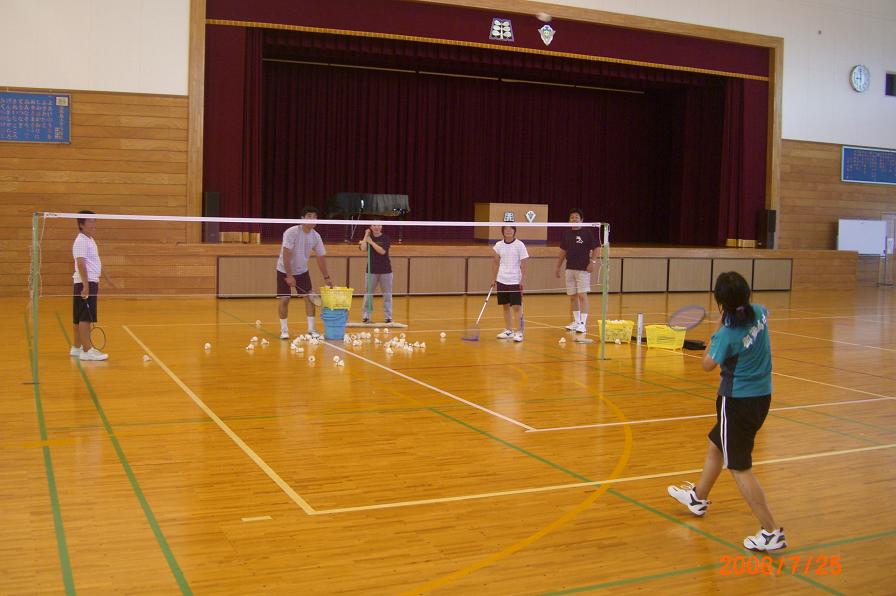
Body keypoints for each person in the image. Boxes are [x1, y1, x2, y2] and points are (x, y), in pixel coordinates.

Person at [667, 271, 786, 552]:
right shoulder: (759, 312)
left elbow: (707, 365)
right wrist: (725, 320)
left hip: (737, 402)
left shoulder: (727, 335)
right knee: (715, 446)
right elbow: (747, 318)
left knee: (739, 466)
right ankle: (698, 498)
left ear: (721, 302)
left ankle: (770, 531)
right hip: (762, 396)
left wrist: (715, 333)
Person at [276, 206, 333, 339]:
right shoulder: (291, 232)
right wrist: (289, 275)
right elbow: (286, 255)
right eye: (309, 216)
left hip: (302, 271)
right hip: (284, 269)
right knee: (285, 300)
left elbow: (320, 257)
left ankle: (311, 329)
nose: (312, 219)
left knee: (310, 298)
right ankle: (284, 330)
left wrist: (327, 277)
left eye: (315, 216)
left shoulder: (316, 236)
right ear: (302, 219)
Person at [70, 210, 117, 361]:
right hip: (86, 282)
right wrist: (85, 285)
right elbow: (81, 263)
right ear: (81, 224)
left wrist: (107, 278)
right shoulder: (81, 241)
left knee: (79, 317)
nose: (94, 224)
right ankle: (87, 351)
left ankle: (77, 348)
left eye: (94, 221)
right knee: (85, 317)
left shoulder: (90, 240)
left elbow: (94, 261)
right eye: (90, 221)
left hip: (88, 281)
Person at [555, 208, 598, 334]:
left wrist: (592, 262)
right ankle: (576, 321)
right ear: (569, 220)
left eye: (576, 217)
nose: (574, 219)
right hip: (570, 268)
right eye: (572, 217)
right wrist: (558, 267)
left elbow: (596, 248)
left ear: (581, 220)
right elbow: (563, 251)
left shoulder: (587, 233)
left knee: (582, 295)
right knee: (572, 296)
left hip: (583, 269)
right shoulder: (566, 234)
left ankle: (583, 324)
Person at [492, 225, 528, 342]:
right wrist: (494, 279)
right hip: (502, 279)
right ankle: (508, 330)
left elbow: (524, 264)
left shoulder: (520, 245)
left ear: (514, 231)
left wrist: (522, 280)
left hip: (514, 280)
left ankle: (519, 332)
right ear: (502, 231)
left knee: (517, 307)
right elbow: (495, 263)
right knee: (505, 306)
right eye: (506, 229)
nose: (508, 231)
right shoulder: (498, 245)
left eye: (511, 229)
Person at [359, 224, 393, 324]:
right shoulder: (368, 237)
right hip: (371, 271)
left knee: (387, 294)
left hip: (386, 271)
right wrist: (366, 235)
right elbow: (363, 248)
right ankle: (366, 316)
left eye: (378, 225)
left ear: (381, 226)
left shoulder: (385, 238)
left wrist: (371, 242)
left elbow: (382, 251)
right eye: (374, 225)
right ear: (371, 227)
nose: (376, 227)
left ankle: (388, 317)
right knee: (368, 294)